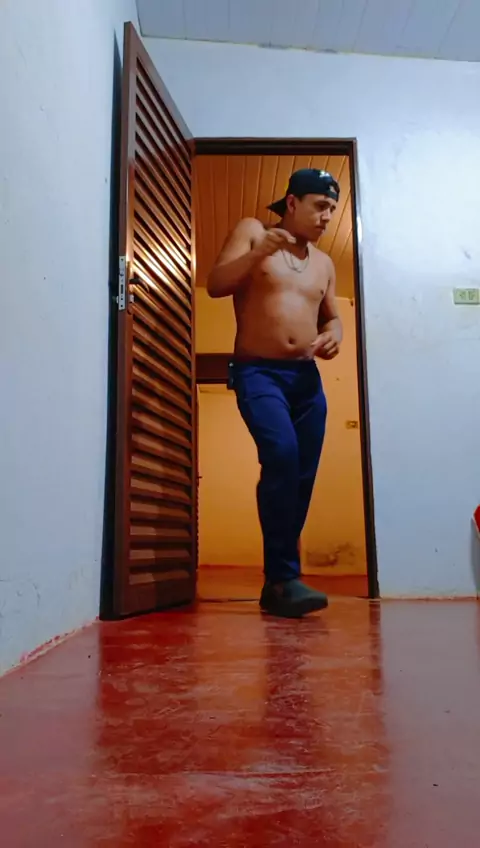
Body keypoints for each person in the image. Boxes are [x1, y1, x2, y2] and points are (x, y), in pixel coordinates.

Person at [207, 169, 342, 618]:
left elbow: (331, 317)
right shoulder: (253, 231)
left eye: (332, 208)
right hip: (258, 372)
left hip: (306, 380)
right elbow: (216, 284)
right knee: (282, 455)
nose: (327, 216)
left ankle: (281, 581)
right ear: (292, 202)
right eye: (320, 206)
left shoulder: (324, 264)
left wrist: (335, 334)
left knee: (302, 473)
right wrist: (259, 252)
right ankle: (283, 577)